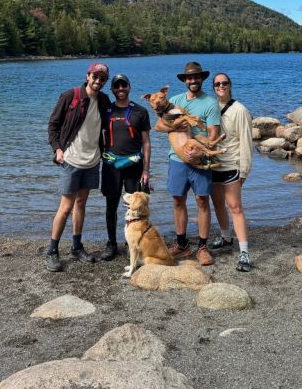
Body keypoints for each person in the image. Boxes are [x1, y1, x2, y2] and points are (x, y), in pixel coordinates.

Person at [45, 62, 112, 272]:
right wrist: (57, 149)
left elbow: (112, 124)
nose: (98, 81)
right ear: (88, 76)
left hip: (92, 161)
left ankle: (76, 246)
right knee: (65, 207)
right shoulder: (70, 96)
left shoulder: (103, 100)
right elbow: (53, 125)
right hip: (71, 160)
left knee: (81, 204)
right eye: (95, 76)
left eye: (102, 78)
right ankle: (52, 250)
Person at [154, 61, 221, 266]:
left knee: (202, 201)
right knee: (178, 201)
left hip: (200, 156)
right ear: (185, 80)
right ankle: (182, 245)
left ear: (202, 79)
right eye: (189, 77)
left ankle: (202, 247)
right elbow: (158, 126)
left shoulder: (210, 103)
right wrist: (178, 124)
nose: (193, 80)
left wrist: (198, 150)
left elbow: (213, 133)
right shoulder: (173, 100)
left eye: (196, 77)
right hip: (177, 160)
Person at [99, 73, 151, 261]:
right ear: (112, 89)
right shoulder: (105, 111)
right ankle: (111, 243)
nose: (120, 89)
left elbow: (146, 142)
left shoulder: (140, 112)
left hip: (134, 166)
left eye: (124, 85)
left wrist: (146, 169)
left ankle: (135, 243)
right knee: (111, 206)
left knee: (137, 208)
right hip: (111, 166)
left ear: (129, 87)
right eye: (117, 86)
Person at [209, 72, 254, 272]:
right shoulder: (210, 107)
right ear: (213, 87)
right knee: (218, 204)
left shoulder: (240, 110)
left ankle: (244, 252)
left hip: (231, 166)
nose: (221, 86)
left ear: (230, 85)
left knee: (235, 207)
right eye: (217, 84)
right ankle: (226, 237)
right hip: (213, 165)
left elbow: (246, 141)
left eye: (224, 83)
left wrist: (244, 170)